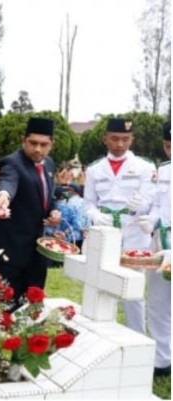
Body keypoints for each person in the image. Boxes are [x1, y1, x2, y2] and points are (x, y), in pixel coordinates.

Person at [83, 118, 156, 335]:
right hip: (105, 233)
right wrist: (95, 215)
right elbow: (88, 202)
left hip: (134, 234)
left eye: (125, 139)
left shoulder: (145, 167)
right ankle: (102, 335)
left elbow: (151, 201)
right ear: (105, 138)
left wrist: (140, 207)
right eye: (114, 138)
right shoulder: (95, 169)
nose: (120, 144)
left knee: (133, 292)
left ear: (132, 139)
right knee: (101, 288)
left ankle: (137, 337)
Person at [0, 117, 61, 306]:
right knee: (6, 309)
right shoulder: (12, 163)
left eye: (44, 144)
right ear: (23, 140)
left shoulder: (49, 164)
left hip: (36, 252)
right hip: (8, 250)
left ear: (52, 144)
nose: (38, 149)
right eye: (33, 143)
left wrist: (54, 213)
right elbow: (8, 182)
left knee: (32, 309)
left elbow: (48, 197)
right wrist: (3, 197)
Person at [140, 121, 171, 378]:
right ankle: (162, 360)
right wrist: (150, 218)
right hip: (161, 243)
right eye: (170, 145)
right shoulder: (163, 171)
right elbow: (159, 204)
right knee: (158, 301)